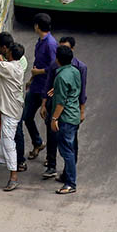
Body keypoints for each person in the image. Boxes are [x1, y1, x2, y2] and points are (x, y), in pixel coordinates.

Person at [0, 34, 27, 191]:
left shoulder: (8, 68)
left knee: (9, 143)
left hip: (9, 111)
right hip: (9, 108)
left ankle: (13, 177)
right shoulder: (15, 66)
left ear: (9, 53)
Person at [41, 36, 87, 180]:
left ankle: (69, 178)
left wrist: (82, 111)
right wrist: (44, 103)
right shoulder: (63, 69)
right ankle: (52, 166)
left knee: (68, 148)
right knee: (55, 139)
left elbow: (79, 92)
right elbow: (50, 86)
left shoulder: (78, 68)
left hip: (64, 114)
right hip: (63, 111)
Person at [50, 44, 82, 195]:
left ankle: (70, 183)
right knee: (71, 148)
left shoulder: (61, 76)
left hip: (66, 118)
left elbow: (61, 103)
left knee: (66, 151)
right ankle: (67, 177)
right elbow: (73, 91)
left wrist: (54, 118)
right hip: (74, 115)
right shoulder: (75, 71)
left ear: (58, 59)